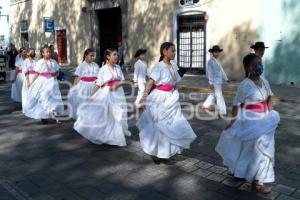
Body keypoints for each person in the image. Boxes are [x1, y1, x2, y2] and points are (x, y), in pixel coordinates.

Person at [215, 53, 280, 194]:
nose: (259, 67)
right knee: (254, 150)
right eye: (255, 65)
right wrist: (232, 122)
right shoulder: (245, 85)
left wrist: (271, 118)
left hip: (265, 121)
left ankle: (253, 178)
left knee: (265, 150)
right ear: (247, 67)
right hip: (250, 121)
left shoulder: (264, 81)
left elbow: (269, 99)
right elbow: (236, 105)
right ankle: (255, 182)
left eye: (260, 64)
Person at [137, 42, 196, 164]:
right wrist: (144, 97)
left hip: (172, 99)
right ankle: (154, 151)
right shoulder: (159, 66)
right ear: (165, 52)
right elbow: (150, 83)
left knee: (172, 124)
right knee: (158, 124)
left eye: (175, 51)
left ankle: (164, 151)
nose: (174, 53)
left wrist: (176, 94)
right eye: (172, 51)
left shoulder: (174, 65)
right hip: (159, 98)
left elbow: (175, 83)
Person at [74, 48, 131, 146]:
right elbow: (98, 84)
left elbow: (122, 80)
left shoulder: (118, 67)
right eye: (114, 55)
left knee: (119, 113)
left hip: (119, 93)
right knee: (113, 115)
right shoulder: (103, 69)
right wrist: (91, 96)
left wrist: (122, 84)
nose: (116, 56)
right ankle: (114, 137)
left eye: (117, 55)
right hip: (108, 94)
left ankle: (112, 134)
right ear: (108, 57)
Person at [25, 46, 64, 124]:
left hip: (52, 82)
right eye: (46, 52)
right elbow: (37, 74)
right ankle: (44, 116)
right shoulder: (40, 62)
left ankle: (55, 117)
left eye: (49, 52)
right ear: (42, 54)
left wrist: (56, 75)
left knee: (53, 100)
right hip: (42, 82)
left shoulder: (53, 62)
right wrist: (31, 84)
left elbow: (58, 70)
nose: (48, 53)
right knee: (44, 99)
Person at [68, 48, 99, 119]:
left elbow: (99, 77)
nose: (92, 57)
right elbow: (77, 78)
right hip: (84, 86)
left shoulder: (96, 65)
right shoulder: (81, 66)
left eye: (93, 56)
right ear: (86, 55)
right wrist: (72, 88)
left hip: (94, 86)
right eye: (91, 56)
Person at [202, 45, 229, 117]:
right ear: (212, 53)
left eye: (217, 52)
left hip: (219, 81)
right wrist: (210, 83)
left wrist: (226, 78)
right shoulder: (210, 62)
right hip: (215, 82)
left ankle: (206, 105)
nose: (216, 53)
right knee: (219, 96)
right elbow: (209, 73)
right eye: (215, 52)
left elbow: (221, 71)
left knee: (213, 94)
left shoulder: (217, 61)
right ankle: (222, 111)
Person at [22, 48, 37, 114]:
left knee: (34, 93)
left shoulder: (35, 61)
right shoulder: (25, 61)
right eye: (31, 52)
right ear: (28, 53)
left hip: (34, 78)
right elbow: (26, 72)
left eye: (33, 52)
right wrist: (28, 82)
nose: (32, 53)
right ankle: (27, 108)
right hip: (28, 78)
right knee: (27, 93)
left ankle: (34, 107)